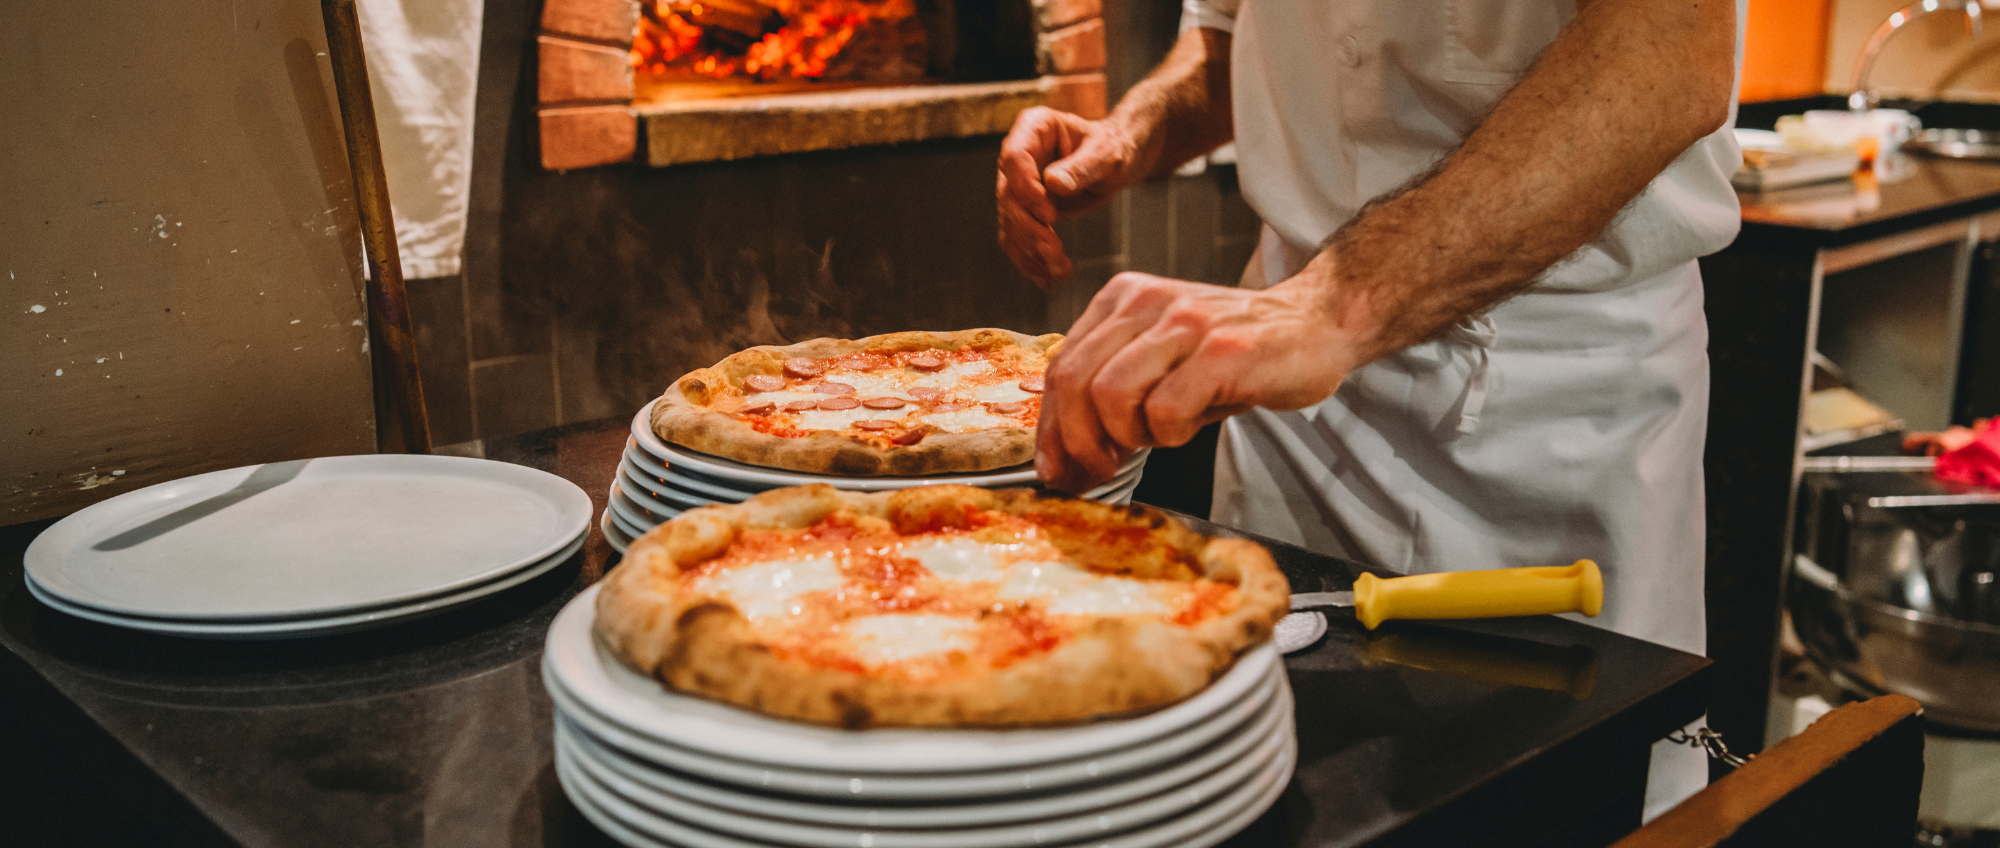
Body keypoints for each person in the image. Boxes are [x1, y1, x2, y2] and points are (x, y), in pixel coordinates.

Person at [996, 0, 1744, 817]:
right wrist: (1133, 131)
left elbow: (1667, 58)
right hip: (1291, 398)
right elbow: (1222, 36)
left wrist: (1336, 305)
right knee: (1274, 798)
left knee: (1552, 807)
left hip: (1546, 398)